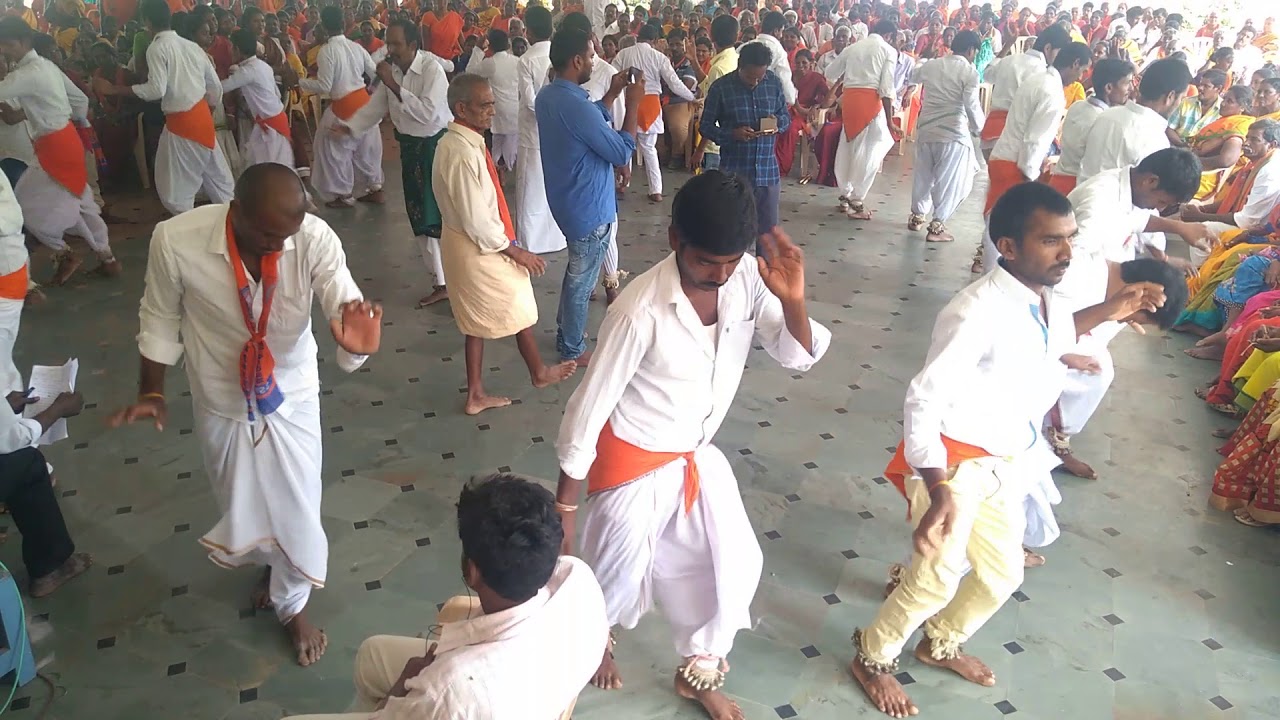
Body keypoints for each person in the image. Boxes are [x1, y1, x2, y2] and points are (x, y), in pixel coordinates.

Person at [853, 182, 1167, 718]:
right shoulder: (974, 311)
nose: (1067, 252)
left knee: (1002, 574)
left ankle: (939, 642)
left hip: (1002, 459)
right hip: (952, 463)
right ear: (1008, 245)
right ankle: (873, 657)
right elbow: (923, 399)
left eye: (1068, 238)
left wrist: (1112, 309)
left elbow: (1049, 336)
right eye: (1051, 241)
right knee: (935, 579)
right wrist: (937, 486)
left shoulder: (1041, 297)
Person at [555, 170, 829, 720]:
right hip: (631, 457)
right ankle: (590, 647)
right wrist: (564, 505)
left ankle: (698, 671)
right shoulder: (638, 310)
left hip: (695, 456)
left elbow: (797, 354)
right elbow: (590, 406)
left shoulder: (748, 277)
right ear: (675, 239)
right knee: (611, 574)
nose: (721, 276)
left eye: (731, 262)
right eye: (708, 262)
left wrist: (794, 299)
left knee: (731, 566)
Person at [110, 163, 383, 667]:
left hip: (291, 392)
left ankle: (293, 605)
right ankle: (271, 562)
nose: (276, 249)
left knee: (299, 501)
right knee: (241, 498)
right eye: (264, 236)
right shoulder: (176, 240)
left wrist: (355, 347)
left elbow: (345, 304)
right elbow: (159, 315)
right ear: (233, 212)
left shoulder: (314, 239)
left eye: (285, 236)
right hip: (220, 393)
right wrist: (153, 391)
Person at [280, 473, 609, 720]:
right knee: (372, 655)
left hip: (475, 696)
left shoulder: (448, 690)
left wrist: (401, 691)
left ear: (473, 572)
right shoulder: (576, 577)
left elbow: (444, 694)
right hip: (537, 691)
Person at [1047, 148, 1204, 477]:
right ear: (1151, 180)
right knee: (1093, 369)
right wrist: (1069, 344)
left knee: (1098, 366)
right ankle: (1050, 438)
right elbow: (1058, 280)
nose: (1159, 209)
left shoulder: (1130, 192)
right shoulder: (1098, 204)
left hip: (1103, 286)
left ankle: (1055, 436)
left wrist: (1179, 229)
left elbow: (1139, 218)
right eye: (1162, 200)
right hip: (1069, 297)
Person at [433, 74, 578, 415]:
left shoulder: (463, 143)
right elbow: (476, 220)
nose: (492, 112)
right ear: (461, 108)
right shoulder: (460, 152)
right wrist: (517, 252)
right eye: (484, 106)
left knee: (479, 319)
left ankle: (478, 393)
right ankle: (534, 373)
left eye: (493, 103)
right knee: (515, 296)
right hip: (474, 245)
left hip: (471, 242)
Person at [537, 27, 638, 367]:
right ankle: (572, 347)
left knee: (577, 272)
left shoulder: (550, 96)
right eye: (592, 56)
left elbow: (589, 119)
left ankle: (566, 330)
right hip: (588, 207)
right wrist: (633, 104)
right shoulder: (574, 105)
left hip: (568, 200)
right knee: (582, 281)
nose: (595, 62)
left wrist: (612, 93)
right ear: (576, 60)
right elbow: (621, 151)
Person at [337, 19, 450, 310]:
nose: (391, 50)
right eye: (389, 43)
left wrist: (392, 83)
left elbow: (427, 113)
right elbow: (377, 107)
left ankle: (452, 278)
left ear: (413, 45)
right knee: (420, 215)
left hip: (435, 149)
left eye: (397, 44)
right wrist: (351, 127)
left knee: (441, 215)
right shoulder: (394, 71)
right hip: (411, 150)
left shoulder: (431, 70)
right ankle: (441, 281)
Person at [0, 16, 119, 285]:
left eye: (6, 45)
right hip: (66, 140)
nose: (3, 51)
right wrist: (68, 118)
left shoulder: (27, 73)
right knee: (83, 203)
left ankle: (63, 252)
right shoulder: (48, 67)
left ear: (23, 42)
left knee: (22, 208)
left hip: (54, 148)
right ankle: (107, 258)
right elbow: (79, 100)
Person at [92, 0, 232, 216]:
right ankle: (233, 229)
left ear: (146, 20)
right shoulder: (191, 46)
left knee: (176, 194)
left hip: (182, 126)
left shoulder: (157, 48)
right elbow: (216, 89)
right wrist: (204, 111)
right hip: (201, 120)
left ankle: (190, 233)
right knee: (221, 185)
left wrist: (115, 90)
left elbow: (155, 90)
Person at [981, 41, 1092, 273]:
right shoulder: (1052, 92)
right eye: (1082, 70)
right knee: (1004, 230)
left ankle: (993, 275)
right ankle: (993, 278)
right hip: (1016, 165)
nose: (1080, 77)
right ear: (1074, 64)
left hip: (1004, 157)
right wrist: (1031, 179)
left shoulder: (1039, 78)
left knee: (998, 222)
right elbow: (1035, 141)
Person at [283, 6, 382, 208]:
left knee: (331, 149)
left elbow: (325, 86)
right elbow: (376, 73)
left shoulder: (327, 51)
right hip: (365, 104)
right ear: (343, 24)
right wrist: (370, 92)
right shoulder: (356, 47)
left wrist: (299, 81)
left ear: (324, 27)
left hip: (344, 107)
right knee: (368, 150)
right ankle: (376, 188)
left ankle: (343, 195)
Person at [696, 40, 789, 242]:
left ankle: (763, 272)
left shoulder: (773, 83)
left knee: (768, 234)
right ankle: (736, 271)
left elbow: (785, 117)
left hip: (767, 172)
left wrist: (776, 125)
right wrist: (731, 134)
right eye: (750, 77)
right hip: (735, 173)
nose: (755, 82)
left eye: (760, 77)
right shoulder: (721, 88)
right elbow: (705, 126)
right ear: (740, 66)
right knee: (734, 231)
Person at [906, 28, 984, 243]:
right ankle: (937, 226)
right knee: (951, 180)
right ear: (970, 50)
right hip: (952, 133)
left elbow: (912, 75)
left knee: (923, 176)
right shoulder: (969, 72)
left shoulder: (933, 65)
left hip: (927, 129)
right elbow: (971, 104)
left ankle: (916, 216)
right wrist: (980, 130)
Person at [822, 19, 902, 221]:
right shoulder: (888, 50)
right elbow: (886, 89)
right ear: (889, 36)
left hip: (850, 101)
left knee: (848, 146)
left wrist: (847, 79)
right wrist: (890, 120)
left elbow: (829, 72)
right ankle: (856, 202)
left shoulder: (852, 48)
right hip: (870, 104)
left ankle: (845, 194)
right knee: (870, 152)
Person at [613, 22, 694, 202]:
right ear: (655, 40)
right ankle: (655, 190)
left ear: (638, 37)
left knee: (626, 146)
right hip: (650, 104)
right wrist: (691, 97)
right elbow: (674, 83)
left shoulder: (623, 54)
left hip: (629, 102)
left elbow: (614, 76)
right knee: (649, 149)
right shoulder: (658, 57)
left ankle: (622, 184)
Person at [1077, 57, 1192, 181]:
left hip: (1080, 195)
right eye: (1182, 98)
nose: (1180, 104)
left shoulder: (1107, 115)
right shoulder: (1155, 140)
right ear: (1170, 96)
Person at [514, 6, 564, 254]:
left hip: (532, 133)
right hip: (556, 134)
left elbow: (529, 100)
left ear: (528, 31)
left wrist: (545, 111)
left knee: (529, 188)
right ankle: (556, 238)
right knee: (551, 185)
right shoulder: (558, 56)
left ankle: (529, 242)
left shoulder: (526, 60)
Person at [980, 25, 1071, 155]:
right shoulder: (1044, 73)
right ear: (1048, 48)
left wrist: (1007, 46)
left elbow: (987, 74)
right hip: (1015, 137)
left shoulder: (1009, 60)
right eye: (1060, 53)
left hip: (989, 135)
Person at [1048, 57, 1132, 195]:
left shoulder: (1078, 106)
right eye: (1127, 84)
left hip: (1057, 180)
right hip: (1077, 187)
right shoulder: (1105, 120)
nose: (1130, 89)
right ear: (1109, 88)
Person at [222, 28, 291, 169]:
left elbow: (221, 88)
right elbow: (277, 95)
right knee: (258, 163)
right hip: (272, 120)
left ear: (237, 50)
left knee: (273, 170)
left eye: (231, 48)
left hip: (271, 125)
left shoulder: (247, 71)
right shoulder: (262, 66)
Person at [1187, 85, 1254, 201]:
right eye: (1224, 99)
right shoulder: (1226, 122)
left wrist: (1192, 162)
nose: (1223, 103)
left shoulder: (1239, 126)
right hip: (1194, 170)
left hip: (1202, 178)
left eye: (1230, 101)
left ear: (1242, 107)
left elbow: (1226, 160)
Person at [690, 14, 738, 172]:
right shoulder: (735, 59)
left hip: (714, 144)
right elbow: (707, 86)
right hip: (730, 138)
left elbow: (712, 114)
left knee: (713, 191)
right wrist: (694, 62)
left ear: (712, 37)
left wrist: (700, 149)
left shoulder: (718, 68)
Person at [470, 28, 519, 176]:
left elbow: (469, 71)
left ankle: (498, 170)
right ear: (508, 44)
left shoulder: (491, 63)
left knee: (497, 140)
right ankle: (504, 168)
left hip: (497, 110)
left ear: (490, 45)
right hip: (515, 108)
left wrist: (478, 49)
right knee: (510, 142)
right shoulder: (517, 61)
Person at [741, 10, 796, 104]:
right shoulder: (779, 51)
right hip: (763, 98)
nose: (782, 35)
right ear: (776, 31)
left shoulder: (745, 46)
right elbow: (784, 80)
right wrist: (792, 98)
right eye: (781, 31)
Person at [1167, 69, 1225, 147]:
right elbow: (1169, 128)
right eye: (1200, 84)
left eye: (1206, 86)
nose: (1200, 88)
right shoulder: (1186, 103)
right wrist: (1182, 145)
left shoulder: (1222, 112)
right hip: (1175, 148)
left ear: (1218, 89)